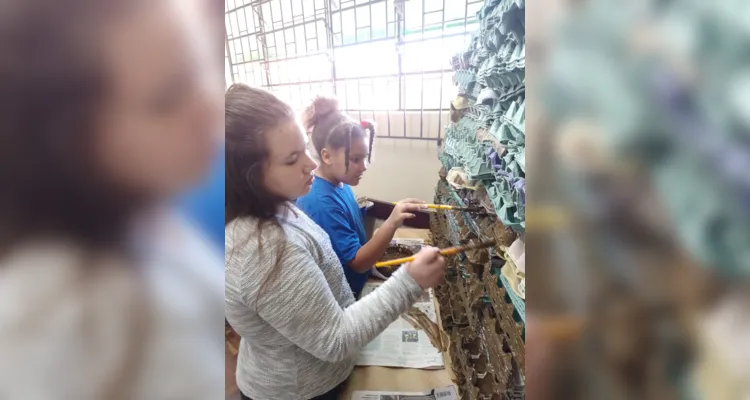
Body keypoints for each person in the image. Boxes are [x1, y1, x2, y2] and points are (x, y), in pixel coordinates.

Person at [0, 0, 224, 398]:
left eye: (199, 70)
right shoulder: (45, 322)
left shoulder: (141, 210)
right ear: (71, 139)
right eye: (168, 98)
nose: (210, 109)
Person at [225, 84, 446, 400]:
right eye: (292, 159)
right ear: (249, 175)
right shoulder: (261, 252)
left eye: (304, 148)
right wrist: (410, 282)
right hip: (301, 390)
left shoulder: (276, 203)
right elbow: (334, 339)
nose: (311, 164)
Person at [296, 96, 426, 298]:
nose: (364, 166)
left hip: (360, 279)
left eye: (364, 157)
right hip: (346, 294)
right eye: (355, 159)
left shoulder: (339, 183)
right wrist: (391, 223)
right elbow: (357, 263)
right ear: (327, 156)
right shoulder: (320, 202)